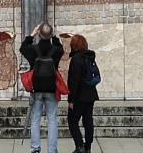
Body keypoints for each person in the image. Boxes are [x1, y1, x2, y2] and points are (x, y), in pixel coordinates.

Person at [21, 21, 66, 153]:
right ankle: (52, 150)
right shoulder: (56, 51)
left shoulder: (33, 49)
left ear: (39, 34)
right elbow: (61, 49)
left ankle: (35, 148)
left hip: (36, 89)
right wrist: (55, 37)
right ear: (51, 34)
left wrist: (31, 34)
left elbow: (23, 47)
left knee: (35, 119)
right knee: (52, 120)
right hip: (52, 89)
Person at [65, 33, 101, 153]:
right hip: (90, 96)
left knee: (72, 120)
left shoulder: (76, 59)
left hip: (79, 97)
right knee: (88, 121)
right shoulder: (89, 57)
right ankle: (88, 147)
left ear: (74, 45)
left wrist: (71, 100)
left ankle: (79, 145)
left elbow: (73, 82)